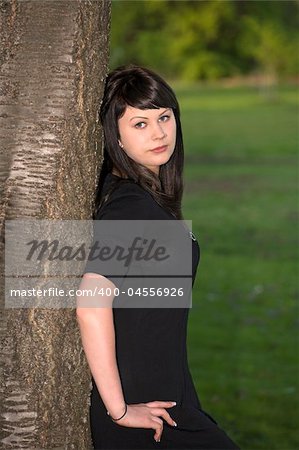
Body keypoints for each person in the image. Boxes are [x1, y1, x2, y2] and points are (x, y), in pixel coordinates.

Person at [76, 65, 240, 450]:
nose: (159, 132)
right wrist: (119, 410)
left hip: (168, 403)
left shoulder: (142, 197)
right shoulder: (131, 207)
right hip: (148, 416)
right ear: (113, 134)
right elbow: (90, 303)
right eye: (140, 123)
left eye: (164, 117)